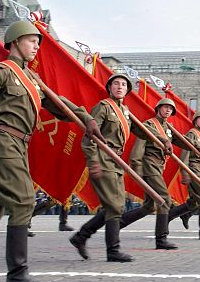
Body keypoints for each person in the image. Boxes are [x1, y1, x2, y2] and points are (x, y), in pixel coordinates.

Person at [0, 21, 103, 282]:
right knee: (23, 202)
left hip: (17, 146)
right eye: (31, 40)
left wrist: (86, 118)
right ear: (14, 41)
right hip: (0, 143)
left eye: (37, 42)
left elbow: (57, 103)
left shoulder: (31, 80)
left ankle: (16, 275)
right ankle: (17, 276)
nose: (36, 46)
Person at [69, 73, 161, 262]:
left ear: (127, 90)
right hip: (104, 158)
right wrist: (93, 161)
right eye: (116, 84)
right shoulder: (103, 107)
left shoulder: (125, 112)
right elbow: (89, 137)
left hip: (116, 161)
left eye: (123, 85)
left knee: (113, 206)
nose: (120, 87)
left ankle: (81, 236)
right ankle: (112, 250)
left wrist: (163, 140)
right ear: (109, 87)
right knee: (115, 206)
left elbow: (142, 130)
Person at [115, 98, 179, 250]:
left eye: (170, 109)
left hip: (158, 167)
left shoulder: (168, 129)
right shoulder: (150, 125)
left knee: (150, 206)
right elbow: (139, 148)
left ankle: (118, 224)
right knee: (164, 200)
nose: (168, 110)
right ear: (158, 109)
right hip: (148, 166)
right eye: (165, 107)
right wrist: (137, 170)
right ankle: (161, 239)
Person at [166, 112, 200, 240]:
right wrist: (185, 172)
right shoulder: (192, 134)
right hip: (193, 168)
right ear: (195, 121)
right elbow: (185, 153)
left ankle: (174, 215)